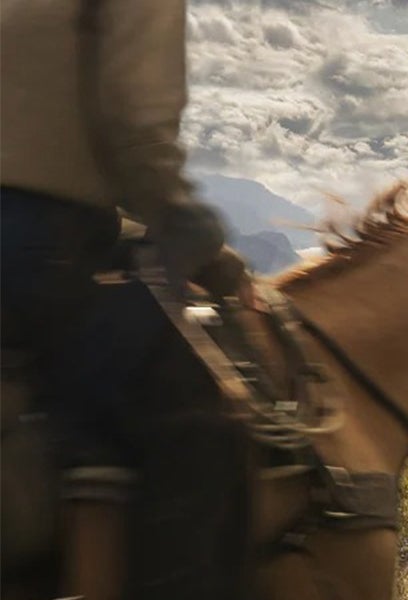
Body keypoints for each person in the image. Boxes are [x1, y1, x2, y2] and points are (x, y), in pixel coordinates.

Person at [2, 0, 249, 597]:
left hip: (46, 230)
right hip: (34, 234)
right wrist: (202, 244)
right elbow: (135, 125)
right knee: (198, 403)